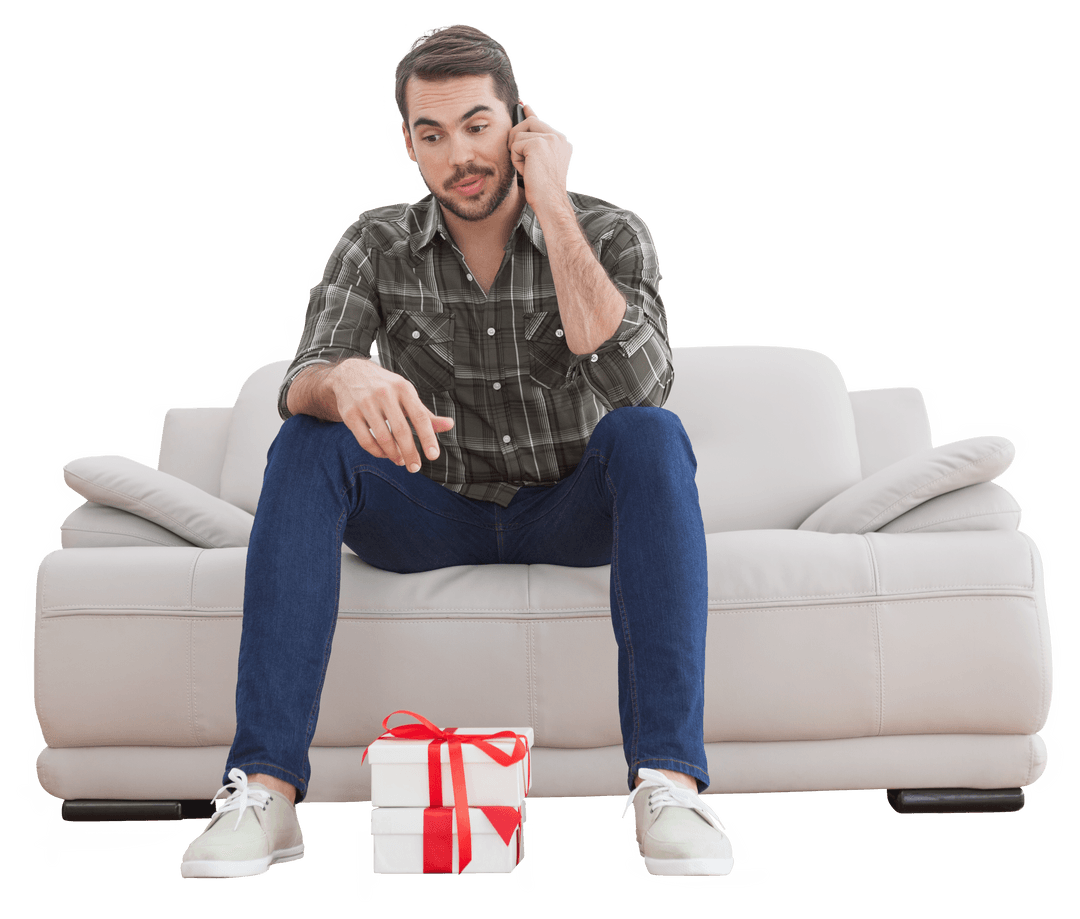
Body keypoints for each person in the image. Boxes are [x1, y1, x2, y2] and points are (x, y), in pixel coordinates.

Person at [179, 22, 735, 881]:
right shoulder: (374, 238)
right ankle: (265, 790)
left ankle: (668, 784)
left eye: (478, 126)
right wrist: (345, 381)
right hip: (427, 511)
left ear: (521, 124)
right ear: (408, 143)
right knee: (306, 439)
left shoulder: (611, 231)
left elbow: (642, 385)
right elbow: (303, 377)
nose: (457, 156)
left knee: (649, 434)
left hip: (567, 508)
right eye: (430, 135)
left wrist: (552, 203)